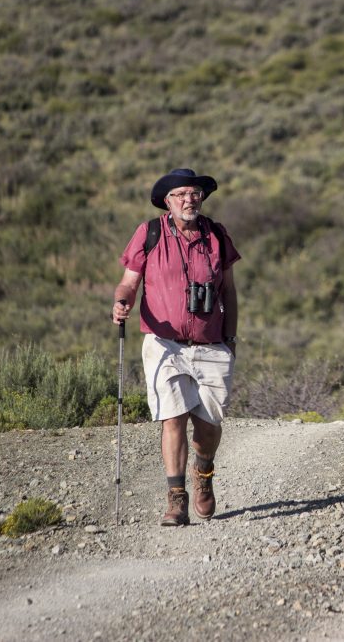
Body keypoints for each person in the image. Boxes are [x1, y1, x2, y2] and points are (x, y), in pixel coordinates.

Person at [112, 167, 240, 527]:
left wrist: (230, 340)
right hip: (163, 343)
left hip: (212, 343)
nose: (189, 199)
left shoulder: (216, 235)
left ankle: (204, 470)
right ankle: (176, 499)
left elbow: (228, 291)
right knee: (173, 419)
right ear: (168, 201)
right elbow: (129, 282)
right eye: (182, 194)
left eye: (195, 193)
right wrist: (121, 302)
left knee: (208, 426)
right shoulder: (149, 233)